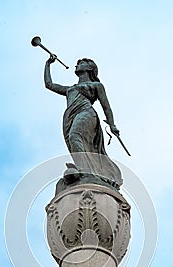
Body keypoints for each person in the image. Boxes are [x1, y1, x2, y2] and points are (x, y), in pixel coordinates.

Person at [44, 56, 123, 189]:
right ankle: (85, 170)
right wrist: (48, 64)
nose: (77, 64)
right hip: (69, 116)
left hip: (86, 112)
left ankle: (83, 170)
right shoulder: (70, 89)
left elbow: (106, 107)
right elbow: (49, 85)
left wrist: (112, 124)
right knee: (72, 140)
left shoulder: (96, 86)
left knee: (75, 136)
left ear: (89, 68)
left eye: (81, 63)